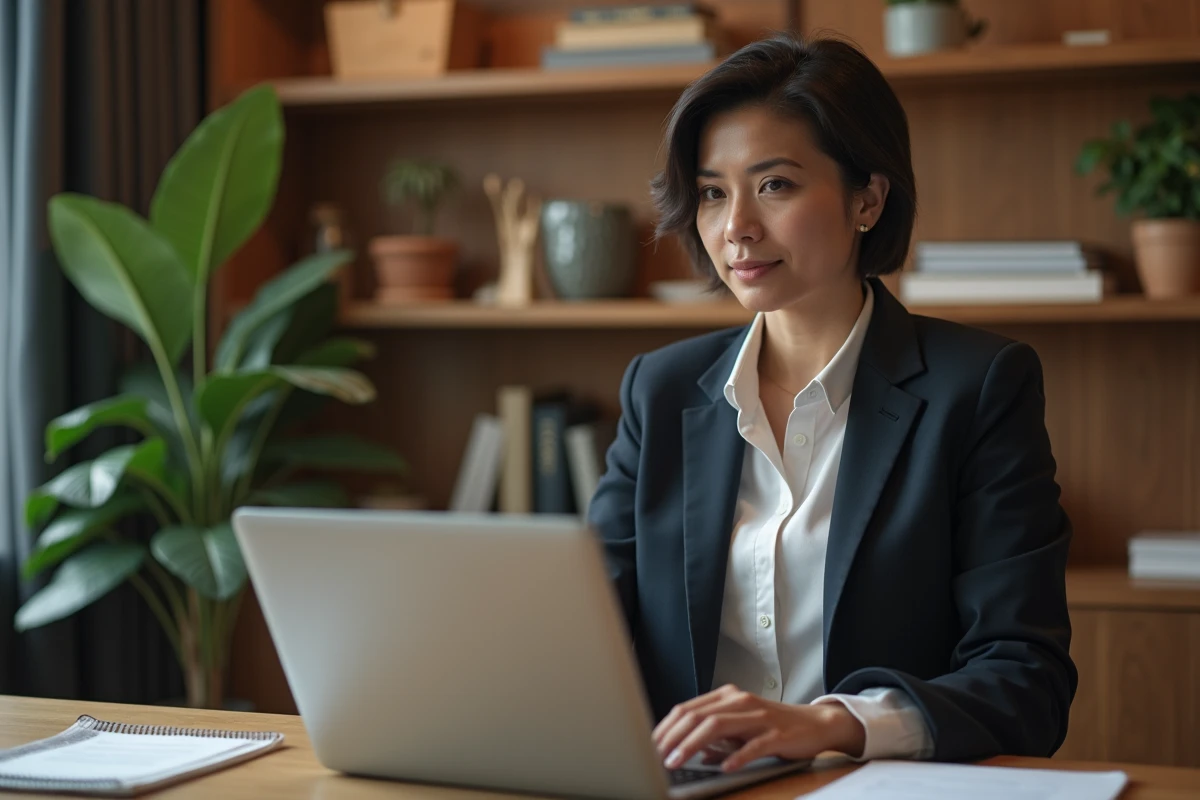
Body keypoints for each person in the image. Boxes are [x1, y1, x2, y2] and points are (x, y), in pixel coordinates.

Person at [587, 34, 1077, 774]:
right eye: (714, 192)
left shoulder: (978, 387)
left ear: (867, 200)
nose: (735, 227)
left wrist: (833, 725)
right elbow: (581, 631)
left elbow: (1027, 681)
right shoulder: (659, 391)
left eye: (775, 185)